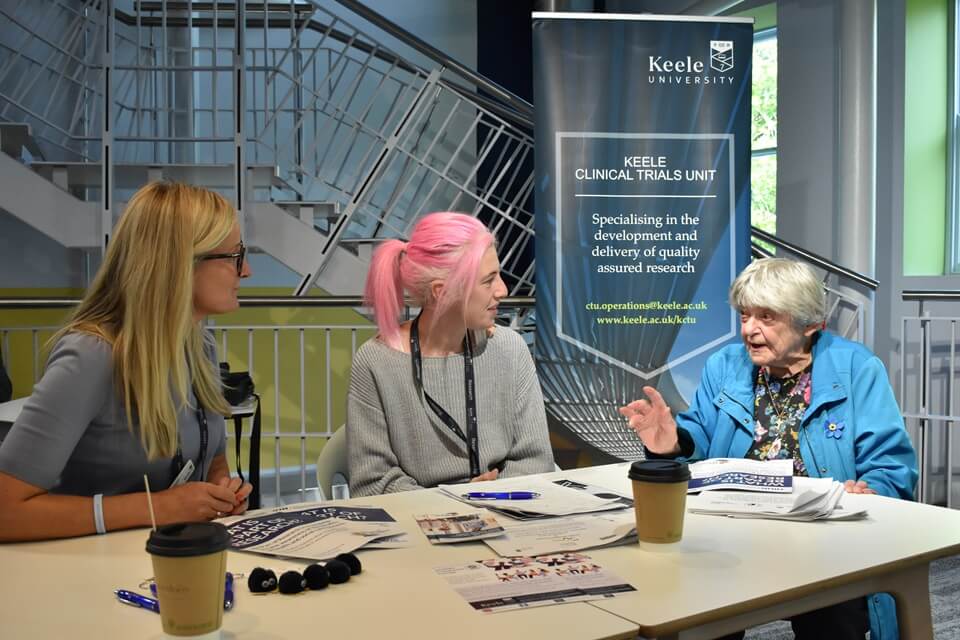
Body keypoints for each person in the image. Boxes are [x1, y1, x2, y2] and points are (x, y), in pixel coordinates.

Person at [620, 258, 917, 640]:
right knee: (693, 612)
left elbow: (891, 464)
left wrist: (869, 490)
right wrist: (671, 443)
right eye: (745, 316)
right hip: (731, 534)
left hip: (824, 541)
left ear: (809, 323)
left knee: (834, 621)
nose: (749, 330)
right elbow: (699, 442)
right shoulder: (724, 365)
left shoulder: (856, 368)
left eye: (766, 317)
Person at [0, 182, 254, 542]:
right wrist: (157, 508)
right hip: (87, 567)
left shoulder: (199, 347)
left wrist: (219, 491)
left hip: (166, 559)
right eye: (234, 257)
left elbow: (212, 458)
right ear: (180, 263)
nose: (246, 271)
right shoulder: (92, 356)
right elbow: (6, 511)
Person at [347, 212, 554, 496]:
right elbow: (373, 484)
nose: (503, 290)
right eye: (488, 281)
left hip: (508, 509)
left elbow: (536, 461)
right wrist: (457, 499)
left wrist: (492, 495)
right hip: (418, 519)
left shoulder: (510, 349)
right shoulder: (376, 362)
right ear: (441, 292)